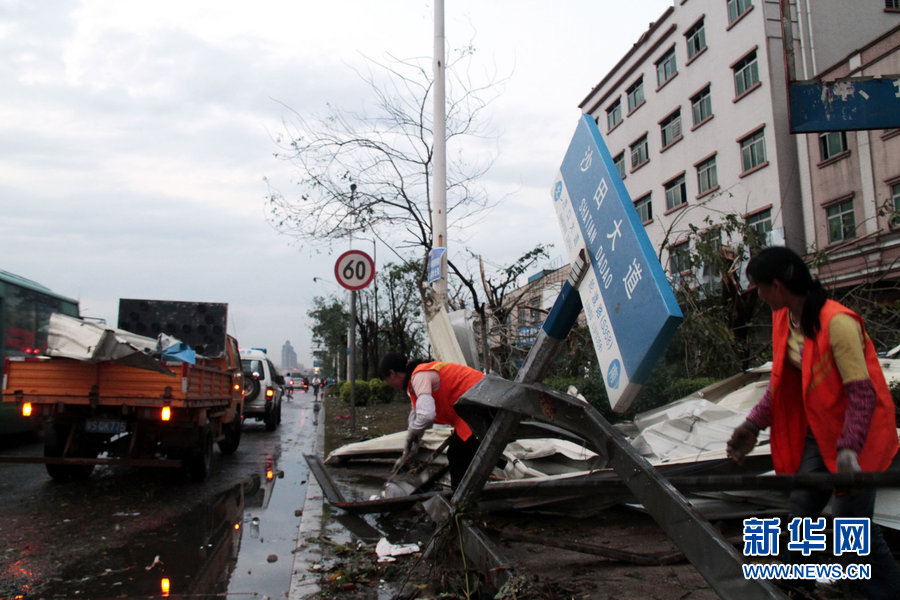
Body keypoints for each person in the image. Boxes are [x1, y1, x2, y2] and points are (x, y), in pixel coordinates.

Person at [726, 246, 900, 599]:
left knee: (854, 536)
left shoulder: (838, 323)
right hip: (819, 435)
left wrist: (849, 452)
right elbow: (781, 385)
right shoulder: (784, 318)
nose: (757, 296)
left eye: (759, 287)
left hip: (858, 438)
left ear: (776, 286)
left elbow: (862, 395)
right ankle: (794, 588)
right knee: (801, 518)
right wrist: (753, 425)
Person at [379, 352, 484, 489]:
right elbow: (416, 418)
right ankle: (463, 497)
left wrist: (413, 435)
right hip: (474, 408)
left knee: (458, 454)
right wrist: (407, 453)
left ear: (392, 373)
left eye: (387, 380)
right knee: (458, 453)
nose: (390, 385)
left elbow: (426, 416)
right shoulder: (416, 381)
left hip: (481, 405)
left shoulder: (420, 376)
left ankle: (462, 502)